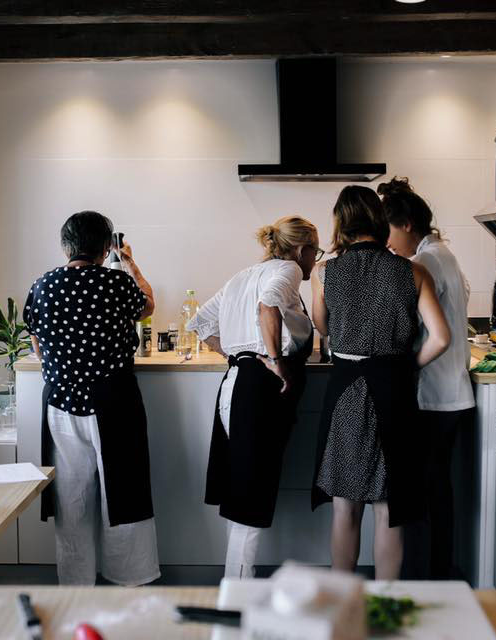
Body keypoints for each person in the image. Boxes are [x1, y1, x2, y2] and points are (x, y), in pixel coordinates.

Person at [310, 186, 451, 580]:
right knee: (390, 509)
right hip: (395, 395)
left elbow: (325, 329)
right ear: (377, 219)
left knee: (345, 505)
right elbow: (441, 338)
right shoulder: (413, 270)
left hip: (346, 394)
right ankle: (384, 606)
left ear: (340, 222)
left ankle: (343, 600)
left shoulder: (324, 273)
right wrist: (407, 368)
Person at [23, 210, 159, 586]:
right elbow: (148, 306)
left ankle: (76, 588)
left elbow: (36, 344)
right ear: (105, 247)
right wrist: (130, 261)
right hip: (113, 400)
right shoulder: (116, 282)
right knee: (123, 496)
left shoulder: (42, 285)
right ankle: (127, 583)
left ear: (65, 246)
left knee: (72, 501)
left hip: (62, 404)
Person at [187, 216, 321, 579]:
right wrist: (274, 361)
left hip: (236, 382)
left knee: (243, 492)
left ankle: (236, 586)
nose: (314, 260)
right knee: (252, 497)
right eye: (315, 251)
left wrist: (240, 354)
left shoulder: (241, 275)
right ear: (300, 248)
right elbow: (268, 306)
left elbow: (199, 324)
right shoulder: (289, 270)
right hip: (258, 390)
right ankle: (238, 596)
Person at [379, 177, 476, 579]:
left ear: (404, 225)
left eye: (387, 233)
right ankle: (437, 571)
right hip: (450, 393)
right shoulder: (441, 253)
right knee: (437, 489)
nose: (386, 243)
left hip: (434, 394)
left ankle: (427, 577)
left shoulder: (425, 262)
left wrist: (408, 366)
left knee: (424, 492)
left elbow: (432, 332)